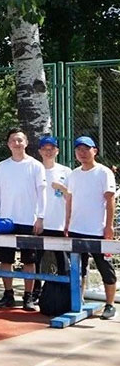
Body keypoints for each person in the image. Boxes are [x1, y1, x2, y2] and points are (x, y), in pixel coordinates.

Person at [0, 128, 47, 311]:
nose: (17, 143)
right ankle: (8, 295)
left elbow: (42, 194)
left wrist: (40, 217)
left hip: (28, 220)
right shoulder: (2, 166)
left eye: (20, 140)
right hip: (6, 221)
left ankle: (28, 296)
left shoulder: (36, 166)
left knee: (29, 261)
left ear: (26, 143)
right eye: (13, 140)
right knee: (5, 260)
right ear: (8, 144)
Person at [65, 136, 116, 320]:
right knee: (78, 268)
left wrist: (108, 227)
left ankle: (110, 305)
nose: (82, 153)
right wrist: (67, 223)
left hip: (98, 231)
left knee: (105, 268)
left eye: (86, 149)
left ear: (95, 151)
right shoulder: (73, 174)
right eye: (79, 149)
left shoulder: (104, 172)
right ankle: (79, 300)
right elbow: (70, 200)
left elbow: (110, 200)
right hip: (76, 229)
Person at [36, 136, 72, 287]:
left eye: (51, 149)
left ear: (57, 151)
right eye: (45, 149)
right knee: (35, 260)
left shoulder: (66, 171)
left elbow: (72, 197)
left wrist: (62, 188)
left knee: (63, 261)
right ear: (40, 151)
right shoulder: (35, 169)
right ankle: (35, 292)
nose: (48, 152)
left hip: (59, 223)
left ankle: (65, 292)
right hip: (39, 223)